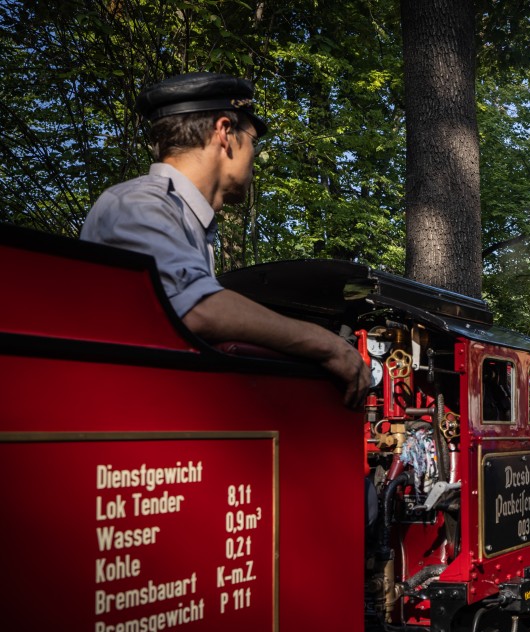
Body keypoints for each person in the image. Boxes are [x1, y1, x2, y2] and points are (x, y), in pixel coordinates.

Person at [81, 73, 371, 408]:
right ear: (225, 133)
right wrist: (328, 344)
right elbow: (197, 309)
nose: (253, 157)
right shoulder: (139, 204)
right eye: (252, 140)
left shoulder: (175, 212)